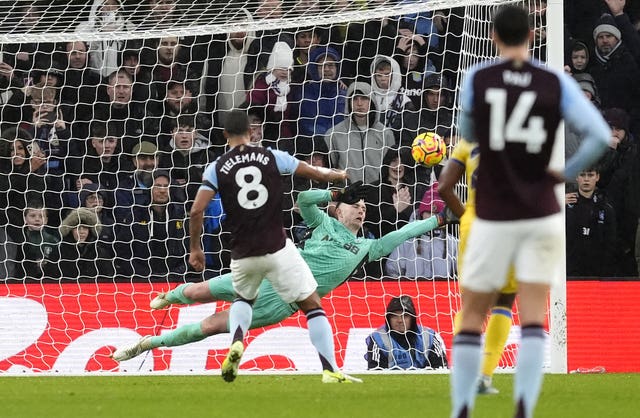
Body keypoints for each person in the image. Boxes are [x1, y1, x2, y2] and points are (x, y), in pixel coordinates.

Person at [448, 6, 610, 418]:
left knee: (472, 311)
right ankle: (523, 409)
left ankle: (462, 407)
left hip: (491, 213)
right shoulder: (553, 80)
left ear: (494, 36)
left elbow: (468, 134)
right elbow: (598, 135)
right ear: (534, 34)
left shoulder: (478, 79)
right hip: (538, 211)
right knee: (532, 311)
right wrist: (564, 173)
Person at [111, 183, 458, 373]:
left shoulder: (367, 246)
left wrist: (438, 221)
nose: (361, 208)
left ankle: (146, 344)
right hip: (270, 272)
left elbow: (403, 233)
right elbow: (304, 199)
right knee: (199, 291)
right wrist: (336, 194)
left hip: (284, 300)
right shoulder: (324, 222)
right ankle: (171, 296)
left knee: (211, 327)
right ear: (339, 211)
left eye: (364, 207)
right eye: (356, 205)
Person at [186, 110, 351, 383]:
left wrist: (195, 248)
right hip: (277, 246)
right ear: (251, 133)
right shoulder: (273, 157)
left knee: (243, 299)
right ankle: (330, 369)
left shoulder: (216, 167)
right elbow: (315, 173)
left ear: (225, 134)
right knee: (312, 305)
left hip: (242, 251)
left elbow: (196, 211)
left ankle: (238, 340)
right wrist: (338, 175)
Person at [438, 137, 519, 396]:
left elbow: (444, 188)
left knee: (471, 305)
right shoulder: (524, 138)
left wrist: (466, 217)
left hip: (475, 223)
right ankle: (484, 376)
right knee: (504, 301)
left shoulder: (467, 142)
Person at [364, 295, 448, 369]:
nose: (400, 320)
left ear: (413, 318)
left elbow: (441, 368)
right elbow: (375, 373)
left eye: (405, 316)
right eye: (394, 316)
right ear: (388, 319)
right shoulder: (378, 339)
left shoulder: (428, 336)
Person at [565, 167, 617, 277]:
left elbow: (610, 244)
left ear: (597, 177)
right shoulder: (565, 204)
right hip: (570, 271)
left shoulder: (605, 208)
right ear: (576, 177)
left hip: (597, 272)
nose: (586, 179)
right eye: (582, 175)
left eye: (590, 175)